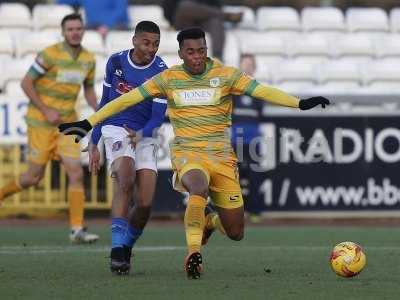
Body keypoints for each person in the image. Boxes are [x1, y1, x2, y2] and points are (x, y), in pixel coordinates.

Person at [58, 27, 330, 279]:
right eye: (190, 51)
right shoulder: (168, 78)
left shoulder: (226, 75)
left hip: (222, 157)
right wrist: (88, 123)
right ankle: (193, 252)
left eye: (201, 50)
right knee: (197, 187)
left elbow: (263, 91)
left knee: (235, 231)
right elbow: (126, 99)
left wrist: (300, 103)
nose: (197, 56)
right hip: (189, 153)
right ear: (180, 54)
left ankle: (210, 221)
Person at [0, 13, 99, 244]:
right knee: (33, 177)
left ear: (83, 30)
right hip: (40, 123)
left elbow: (89, 90)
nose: (75, 32)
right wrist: (45, 110)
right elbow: (26, 82)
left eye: (78, 28)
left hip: (67, 125)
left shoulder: (88, 59)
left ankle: (77, 229)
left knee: (75, 173)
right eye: (70, 29)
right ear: (63, 32)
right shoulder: (49, 54)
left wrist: (101, 109)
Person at [88, 21, 167, 275]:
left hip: (144, 134)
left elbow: (158, 117)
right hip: (116, 128)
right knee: (125, 179)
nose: (151, 48)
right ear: (134, 41)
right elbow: (105, 103)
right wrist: (94, 141)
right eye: (146, 42)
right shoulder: (116, 62)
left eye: (156, 43)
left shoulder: (162, 71)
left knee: (144, 204)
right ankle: (116, 250)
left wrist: (142, 133)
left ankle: (125, 247)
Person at [231, 54, 265, 221]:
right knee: (233, 177)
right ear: (240, 66)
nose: (247, 67)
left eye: (250, 64)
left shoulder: (258, 90)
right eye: (244, 64)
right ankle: (236, 211)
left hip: (253, 141)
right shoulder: (233, 89)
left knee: (255, 176)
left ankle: (255, 212)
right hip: (235, 140)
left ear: (254, 67)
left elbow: (260, 114)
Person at [162, 0, 242, 60]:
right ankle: (226, 16)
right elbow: (168, 9)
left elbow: (216, 6)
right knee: (185, 6)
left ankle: (217, 59)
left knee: (216, 21)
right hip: (183, 21)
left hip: (203, 21)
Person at [58, 0, 130, 38]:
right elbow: (62, 1)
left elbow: (121, 11)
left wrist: (106, 26)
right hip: (92, 26)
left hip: (117, 27)